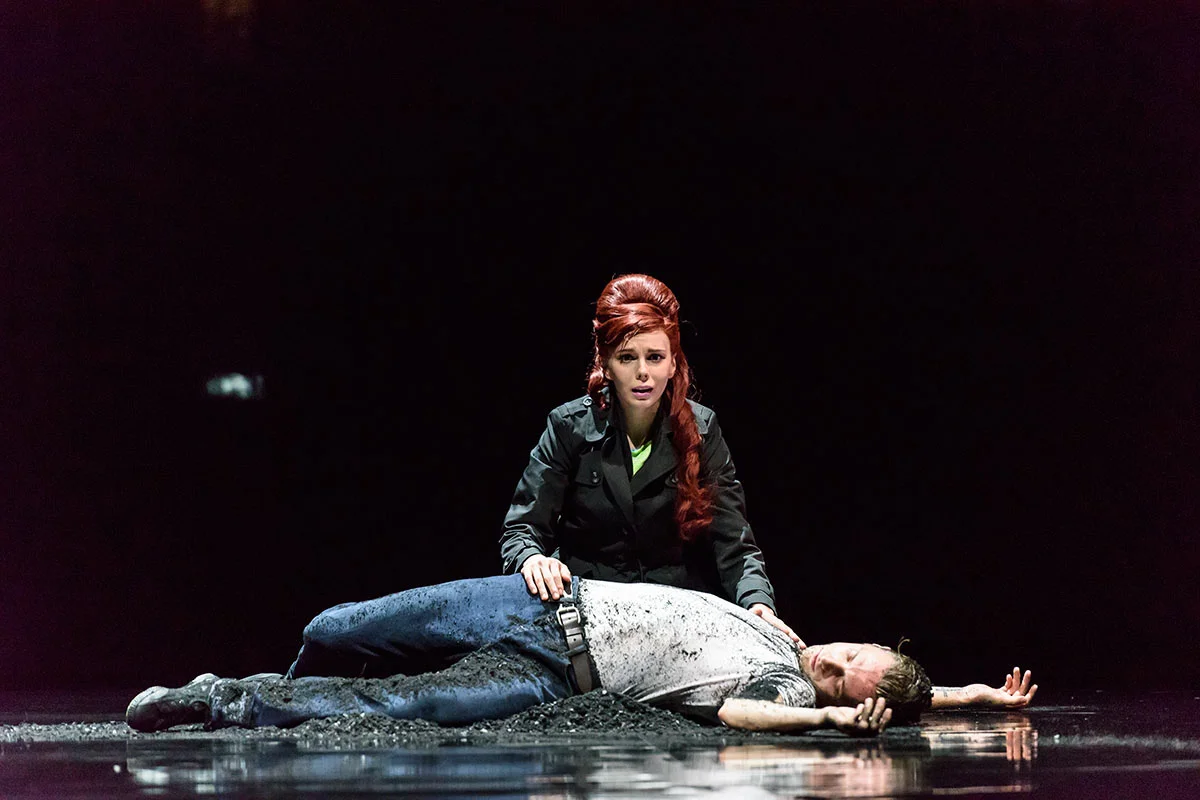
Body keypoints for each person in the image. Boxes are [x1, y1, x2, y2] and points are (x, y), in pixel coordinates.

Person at [126, 574, 1036, 736]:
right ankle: (287, 677)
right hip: (545, 601)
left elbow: (738, 715)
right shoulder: (783, 631)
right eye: (847, 653)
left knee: (407, 707)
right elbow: (914, 688)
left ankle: (224, 700)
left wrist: (830, 720)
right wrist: (973, 697)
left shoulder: (782, 687)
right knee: (335, 625)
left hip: (556, 672)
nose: (828, 661)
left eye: (839, 677)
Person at [501, 274, 798, 642]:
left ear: (672, 363)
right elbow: (522, 529)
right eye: (627, 357)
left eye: (655, 357)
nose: (643, 372)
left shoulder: (703, 429)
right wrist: (532, 559)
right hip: (587, 614)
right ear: (606, 364)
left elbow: (733, 543)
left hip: (676, 619)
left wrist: (757, 603)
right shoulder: (568, 427)